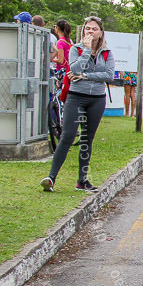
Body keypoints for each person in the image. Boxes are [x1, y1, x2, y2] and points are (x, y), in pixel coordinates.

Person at [40, 16, 115, 193]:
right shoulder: (76, 49)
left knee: (87, 139)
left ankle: (82, 180)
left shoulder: (107, 53)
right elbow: (74, 69)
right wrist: (87, 51)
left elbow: (109, 75)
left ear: (101, 32)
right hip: (76, 96)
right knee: (67, 135)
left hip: (96, 98)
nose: (90, 31)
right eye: (87, 29)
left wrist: (86, 76)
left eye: (94, 29)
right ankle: (51, 178)